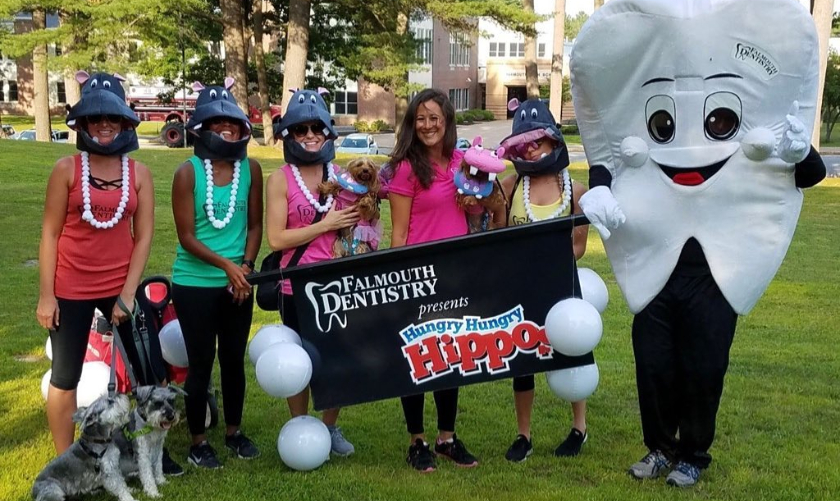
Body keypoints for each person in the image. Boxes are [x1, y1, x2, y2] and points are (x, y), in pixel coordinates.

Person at [36, 71, 166, 462]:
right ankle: (67, 461)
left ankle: (154, 452)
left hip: (120, 286)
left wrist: (128, 296)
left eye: (112, 118)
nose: (104, 125)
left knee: (149, 373)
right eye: (95, 118)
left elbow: (143, 238)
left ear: (125, 122)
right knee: (64, 378)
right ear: (84, 123)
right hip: (70, 288)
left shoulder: (139, 174)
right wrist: (47, 295)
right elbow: (50, 234)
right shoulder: (66, 170)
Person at [389, 88, 499, 472]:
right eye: (420, 118)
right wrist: (398, 281)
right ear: (412, 124)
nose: (427, 125)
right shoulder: (406, 167)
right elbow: (399, 232)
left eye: (434, 117)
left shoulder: (463, 162)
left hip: (456, 272)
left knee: (451, 352)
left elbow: (489, 200)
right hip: (417, 276)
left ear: (448, 120)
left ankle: (447, 438)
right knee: (418, 356)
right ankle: (416, 440)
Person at [171, 79, 263, 469]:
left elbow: (255, 226)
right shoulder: (187, 173)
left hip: (237, 283)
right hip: (194, 283)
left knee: (232, 360)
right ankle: (198, 440)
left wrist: (244, 268)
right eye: (217, 124)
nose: (226, 129)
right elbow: (187, 237)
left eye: (233, 123)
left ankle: (234, 432)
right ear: (202, 129)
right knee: (201, 362)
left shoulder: (251, 169)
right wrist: (227, 267)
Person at [495, 97, 591, 462]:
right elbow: (497, 232)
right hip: (521, 287)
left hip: (562, 288)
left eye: (538, 139)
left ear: (554, 140)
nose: (531, 147)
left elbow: (578, 248)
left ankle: (579, 427)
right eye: (523, 142)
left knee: (573, 353)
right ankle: (524, 435)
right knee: (522, 361)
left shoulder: (576, 191)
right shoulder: (510, 185)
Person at [265, 88, 359, 457]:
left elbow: (358, 223)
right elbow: (275, 238)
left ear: (328, 133)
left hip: (337, 285)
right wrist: (325, 224)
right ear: (289, 134)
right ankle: (299, 423)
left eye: (315, 129)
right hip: (295, 285)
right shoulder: (280, 180)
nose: (309, 137)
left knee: (335, 360)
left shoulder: (342, 177)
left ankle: (330, 427)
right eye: (300, 130)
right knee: (297, 361)